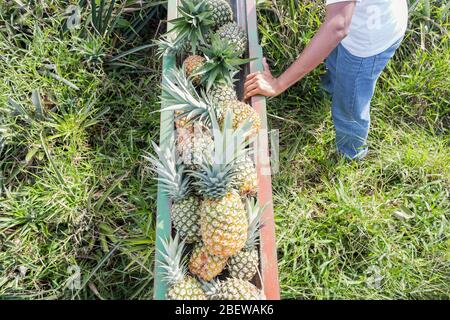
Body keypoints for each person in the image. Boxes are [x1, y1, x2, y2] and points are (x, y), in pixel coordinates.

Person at [244, 0, 409, 160]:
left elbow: (337, 27)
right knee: (334, 64)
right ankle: (330, 91)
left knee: (349, 105)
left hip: (368, 42)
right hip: (360, 21)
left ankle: (350, 152)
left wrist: (278, 84)